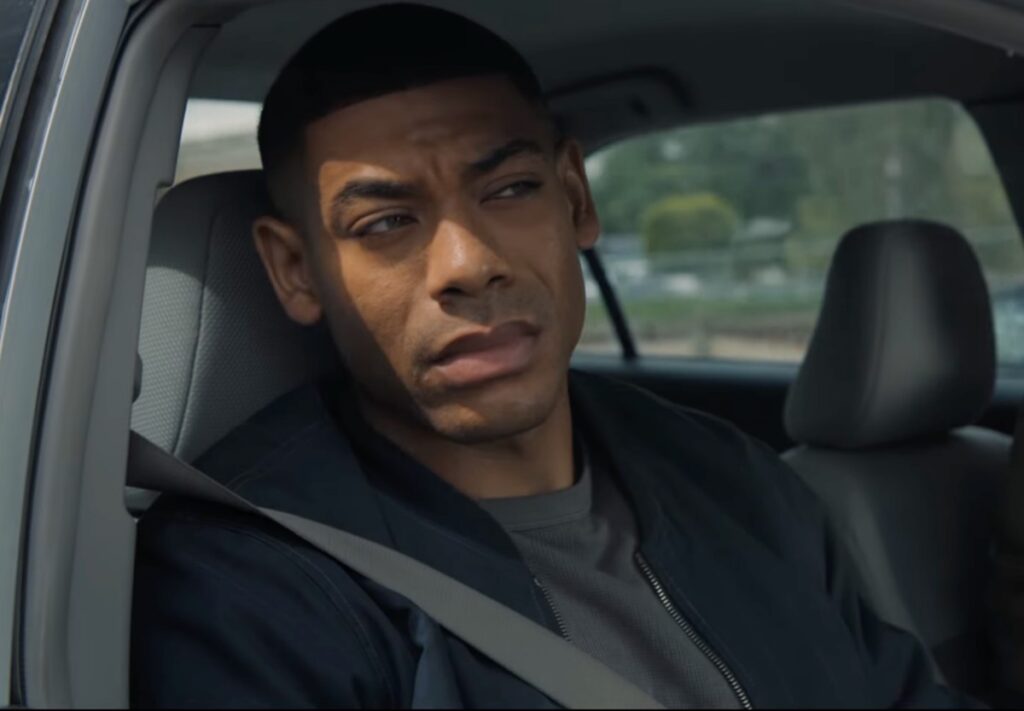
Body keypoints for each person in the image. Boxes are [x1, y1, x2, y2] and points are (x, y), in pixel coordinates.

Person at [130, 4, 968, 707]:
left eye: (508, 190)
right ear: (294, 270)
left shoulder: (736, 480)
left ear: (574, 198)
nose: (469, 262)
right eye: (385, 222)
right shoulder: (249, 585)